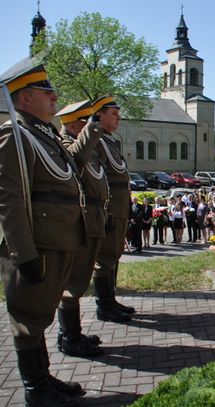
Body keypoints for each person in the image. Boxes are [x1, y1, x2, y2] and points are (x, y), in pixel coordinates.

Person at [0, 60, 86, 406]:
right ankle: (36, 390)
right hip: (37, 244)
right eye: (46, 91)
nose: (55, 97)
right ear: (23, 99)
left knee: (40, 315)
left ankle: (44, 378)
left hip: (56, 240)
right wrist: (24, 254)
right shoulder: (14, 135)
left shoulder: (42, 135)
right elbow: (9, 198)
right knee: (27, 318)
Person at [55, 99, 108, 358]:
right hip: (84, 219)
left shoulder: (84, 141)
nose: (93, 126)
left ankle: (71, 334)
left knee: (79, 279)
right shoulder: (66, 143)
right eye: (87, 122)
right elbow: (74, 161)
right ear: (76, 124)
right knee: (73, 282)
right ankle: (69, 338)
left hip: (95, 216)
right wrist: (90, 132)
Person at [92, 96, 134, 323]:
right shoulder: (95, 139)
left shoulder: (107, 140)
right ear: (99, 114)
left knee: (114, 256)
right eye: (113, 113)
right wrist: (106, 209)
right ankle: (104, 306)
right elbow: (100, 178)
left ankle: (111, 300)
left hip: (119, 207)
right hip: (110, 208)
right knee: (105, 258)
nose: (118, 116)